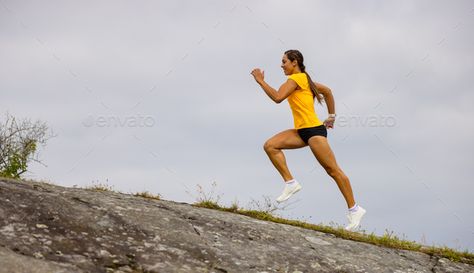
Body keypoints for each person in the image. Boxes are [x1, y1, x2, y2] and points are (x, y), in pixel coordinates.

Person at [250, 49, 366, 231]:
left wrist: (261, 81)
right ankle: (290, 183)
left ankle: (355, 209)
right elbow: (327, 91)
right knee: (270, 146)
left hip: (313, 131)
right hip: (301, 131)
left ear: (294, 62)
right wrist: (331, 116)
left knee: (333, 171)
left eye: (284, 62)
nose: (281, 65)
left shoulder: (296, 79)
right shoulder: (305, 80)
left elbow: (278, 97)